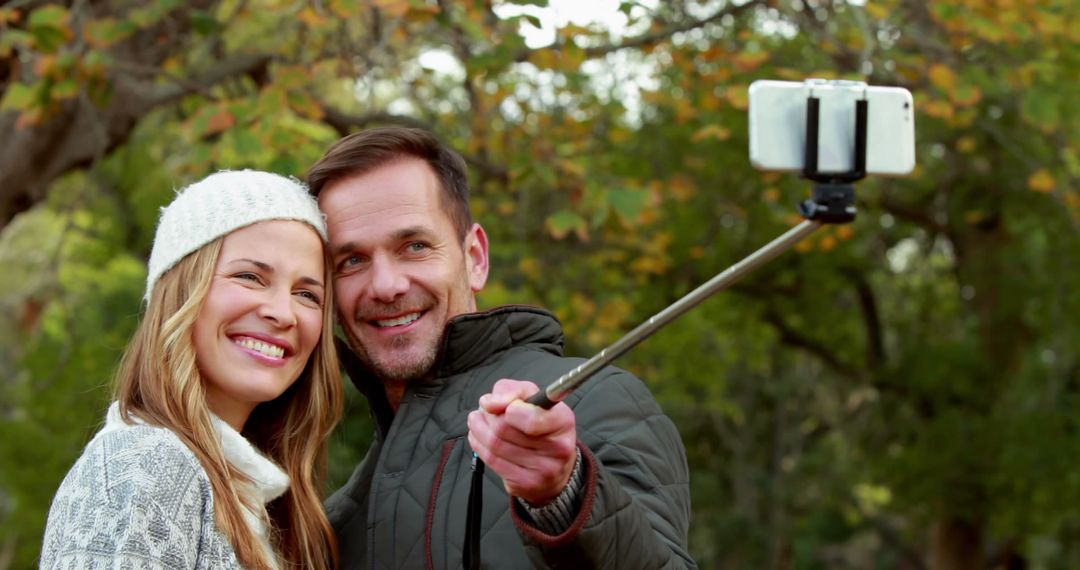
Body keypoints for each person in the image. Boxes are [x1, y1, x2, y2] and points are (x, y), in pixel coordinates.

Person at [309, 126, 695, 569]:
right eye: (352, 261)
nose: (386, 285)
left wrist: (563, 496)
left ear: (474, 258)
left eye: (414, 246)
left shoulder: (597, 400)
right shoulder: (333, 522)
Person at [40, 170, 344, 569]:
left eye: (306, 294)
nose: (283, 313)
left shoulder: (263, 502)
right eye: (250, 277)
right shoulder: (145, 463)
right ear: (181, 291)